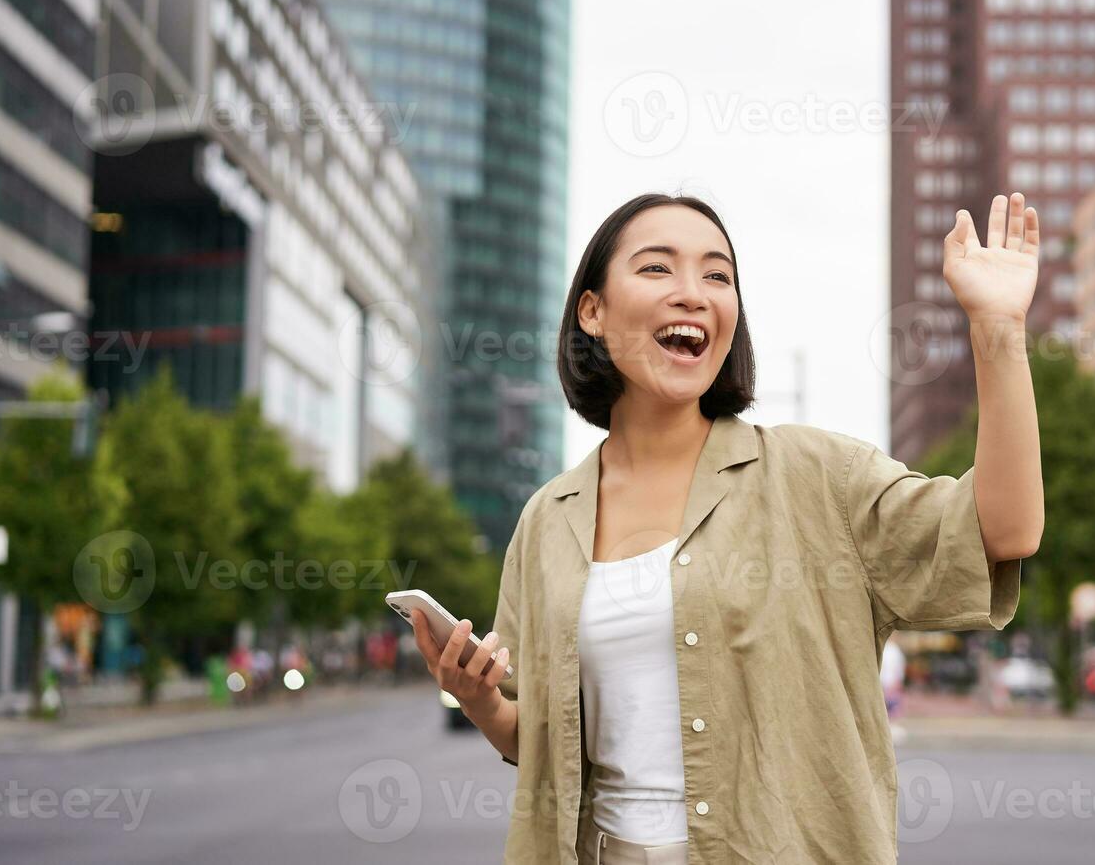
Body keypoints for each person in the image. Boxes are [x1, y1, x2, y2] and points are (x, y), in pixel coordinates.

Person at [410, 192, 1045, 863]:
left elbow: (1003, 532)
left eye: (717, 275)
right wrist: (477, 697)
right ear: (591, 311)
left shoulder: (817, 477)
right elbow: (537, 742)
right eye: (657, 269)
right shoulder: (548, 518)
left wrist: (997, 327)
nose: (693, 293)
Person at [880, 637, 908, 745]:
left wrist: (897, 681)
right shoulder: (890, 649)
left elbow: (898, 668)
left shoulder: (894, 650)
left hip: (889, 682)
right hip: (884, 682)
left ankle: (891, 730)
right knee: (887, 708)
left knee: (892, 708)